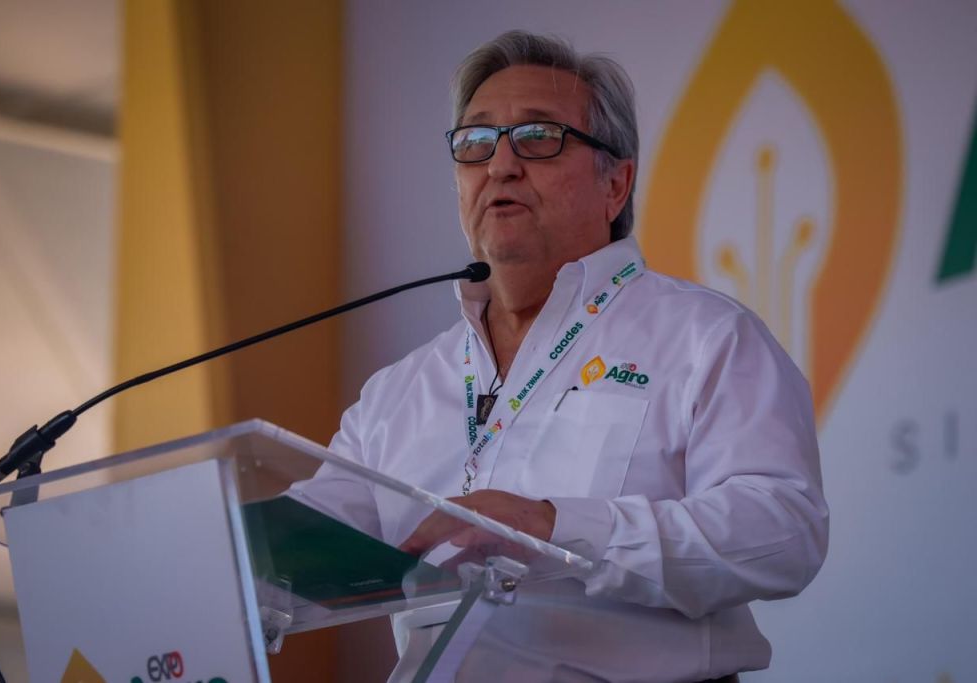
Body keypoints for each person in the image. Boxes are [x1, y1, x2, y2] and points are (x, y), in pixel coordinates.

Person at [323, 30, 828, 683]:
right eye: (476, 142)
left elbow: (784, 532)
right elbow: (296, 550)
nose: (500, 165)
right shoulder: (396, 392)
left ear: (616, 182)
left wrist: (554, 527)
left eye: (538, 137)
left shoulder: (706, 337)